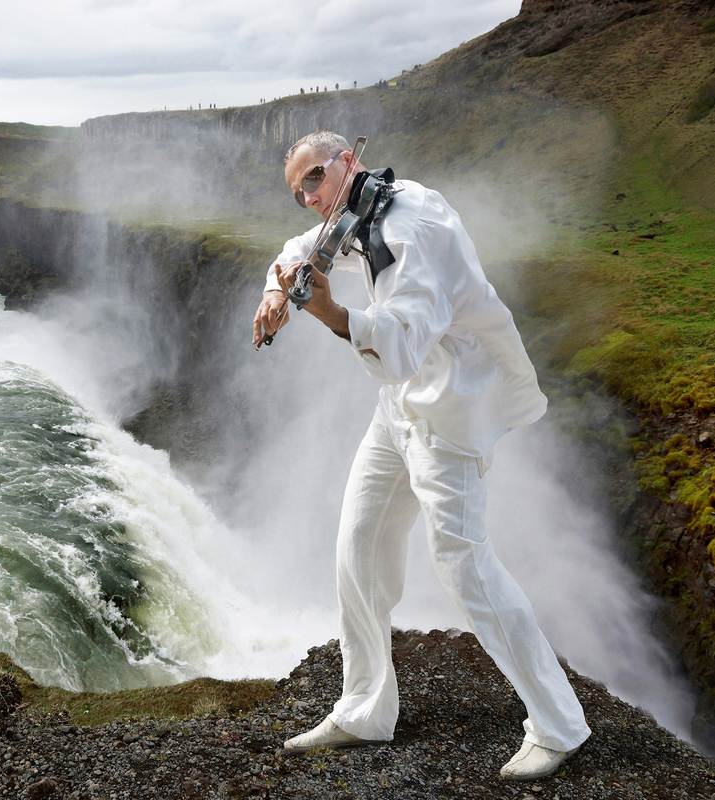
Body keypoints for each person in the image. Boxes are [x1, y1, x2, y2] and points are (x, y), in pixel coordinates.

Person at [251, 130, 591, 781]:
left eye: (315, 177)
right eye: (300, 192)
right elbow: (297, 251)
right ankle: (364, 710)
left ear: (349, 159)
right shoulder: (352, 212)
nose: (309, 197)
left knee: (462, 562)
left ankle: (558, 725)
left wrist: (326, 311)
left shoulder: (418, 222)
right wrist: (275, 291)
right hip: (400, 405)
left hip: (451, 407)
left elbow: (401, 342)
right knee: (358, 539)